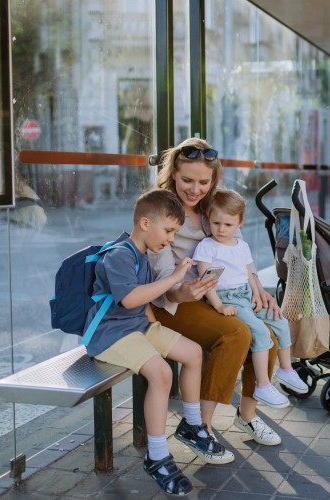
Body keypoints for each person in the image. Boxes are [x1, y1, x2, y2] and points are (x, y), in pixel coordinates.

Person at [149, 137, 284, 461]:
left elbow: (236, 256)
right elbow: (163, 283)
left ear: (213, 181)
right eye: (186, 181)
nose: (194, 189)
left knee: (268, 328)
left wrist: (258, 289)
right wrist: (183, 290)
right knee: (236, 334)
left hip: (217, 296)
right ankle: (200, 428)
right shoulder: (161, 211)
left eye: (203, 182)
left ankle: (247, 415)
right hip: (173, 302)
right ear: (173, 175)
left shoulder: (214, 209)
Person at [85, 189, 211, 496]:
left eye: (174, 233)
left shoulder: (140, 254)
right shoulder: (119, 255)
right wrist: (173, 278)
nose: (170, 239)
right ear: (145, 223)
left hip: (137, 326)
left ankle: (192, 425)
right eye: (168, 231)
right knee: (162, 373)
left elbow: (141, 305)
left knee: (193, 353)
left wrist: (156, 329)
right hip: (109, 335)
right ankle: (157, 456)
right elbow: (129, 299)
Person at [192, 188, 309, 408]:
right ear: (208, 220)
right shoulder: (207, 247)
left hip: (246, 295)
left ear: (239, 223)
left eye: (228, 225)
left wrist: (257, 293)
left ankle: (286, 370)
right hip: (228, 298)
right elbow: (205, 281)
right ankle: (263, 385)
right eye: (216, 223)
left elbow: (249, 274)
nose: (221, 229)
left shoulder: (241, 246)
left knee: (281, 322)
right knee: (261, 332)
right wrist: (219, 305)